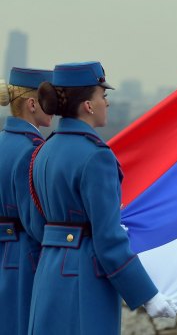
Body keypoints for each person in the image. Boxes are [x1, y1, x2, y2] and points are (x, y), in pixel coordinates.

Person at [27, 61, 177, 335]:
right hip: (84, 281)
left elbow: (38, 226)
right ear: (88, 105)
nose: (107, 103)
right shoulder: (96, 156)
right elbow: (108, 241)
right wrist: (148, 295)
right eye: (103, 96)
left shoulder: (42, 152)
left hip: (47, 276)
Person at [0, 68, 54, 335]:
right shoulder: (30, 151)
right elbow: (35, 222)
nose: (54, 106)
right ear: (32, 104)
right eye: (49, 98)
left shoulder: (3, 142)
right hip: (21, 257)